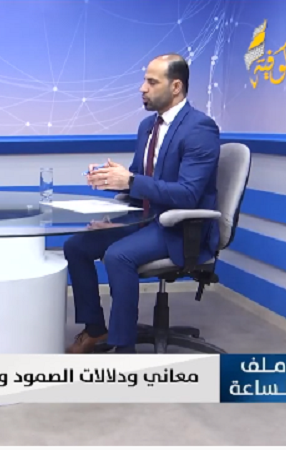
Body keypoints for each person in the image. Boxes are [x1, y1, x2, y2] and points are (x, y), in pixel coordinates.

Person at [63, 54, 220, 354]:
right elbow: (139, 184)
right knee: (77, 246)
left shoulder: (200, 128)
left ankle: (125, 351)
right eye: (144, 81)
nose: (142, 88)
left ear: (176, 87)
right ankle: (95, 329)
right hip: (145, 220)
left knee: (118, 256)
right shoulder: (148, 126)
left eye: (151, 82)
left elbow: (188, 194)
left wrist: (131, 180)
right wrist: (111, 180)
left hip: (179, 227)